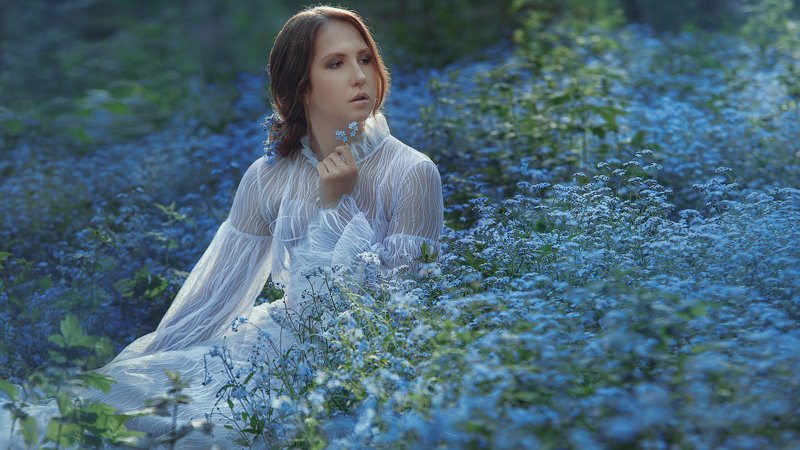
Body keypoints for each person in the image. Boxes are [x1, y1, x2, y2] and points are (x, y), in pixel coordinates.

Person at [0, 5, 444, 448]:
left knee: (208, 436)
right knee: (106, 407)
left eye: (364, 58)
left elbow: (395, 316)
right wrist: (153, 361)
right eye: (335, 63)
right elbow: (215, 297)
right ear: (301, 87)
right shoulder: (267, 176)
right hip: (259, 350)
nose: (359, 75)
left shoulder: (411, 173)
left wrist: (337, 206)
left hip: (345, 367)